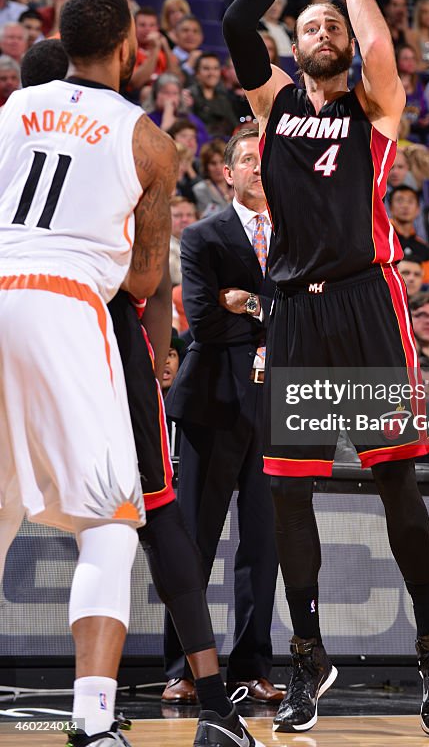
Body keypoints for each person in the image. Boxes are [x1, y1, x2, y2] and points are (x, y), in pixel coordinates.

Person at [222, 0, 429, 738]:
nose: (323, 30)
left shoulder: (374, 106)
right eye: (309, 25)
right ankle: (306, 654)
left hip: (367, 303)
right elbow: (233, 18)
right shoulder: (274, 103)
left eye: (333, 26)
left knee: (397, 476)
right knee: (290, 495)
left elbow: (382, 53)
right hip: (294, 313)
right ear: (293, 48)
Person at [19, 39, 263, 747]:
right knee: (147, 518)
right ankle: (207, 702)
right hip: (101, 332)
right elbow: (146, 284)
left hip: (20, 312)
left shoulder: (19, 133)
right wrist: (156, 355)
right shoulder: (122, 144)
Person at [0, 0, 176, 744]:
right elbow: (143, 278)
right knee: (109, 524)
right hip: (65, 307)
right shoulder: (148, 141)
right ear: (129, 44)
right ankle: (94, 719)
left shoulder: (11, 109)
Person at [164, 128, 283, 706]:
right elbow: (206, 323)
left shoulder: (300, 235)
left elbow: (305, 318)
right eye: (247, 161)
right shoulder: (201, 234)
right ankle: (184, 668)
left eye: (266, 162)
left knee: (263, 545)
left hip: (275, 406)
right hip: (212, 404)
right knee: (195, 542)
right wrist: (270, 313)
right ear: (226, 174)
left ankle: (250, 667)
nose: (258, 170)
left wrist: (250, 301)